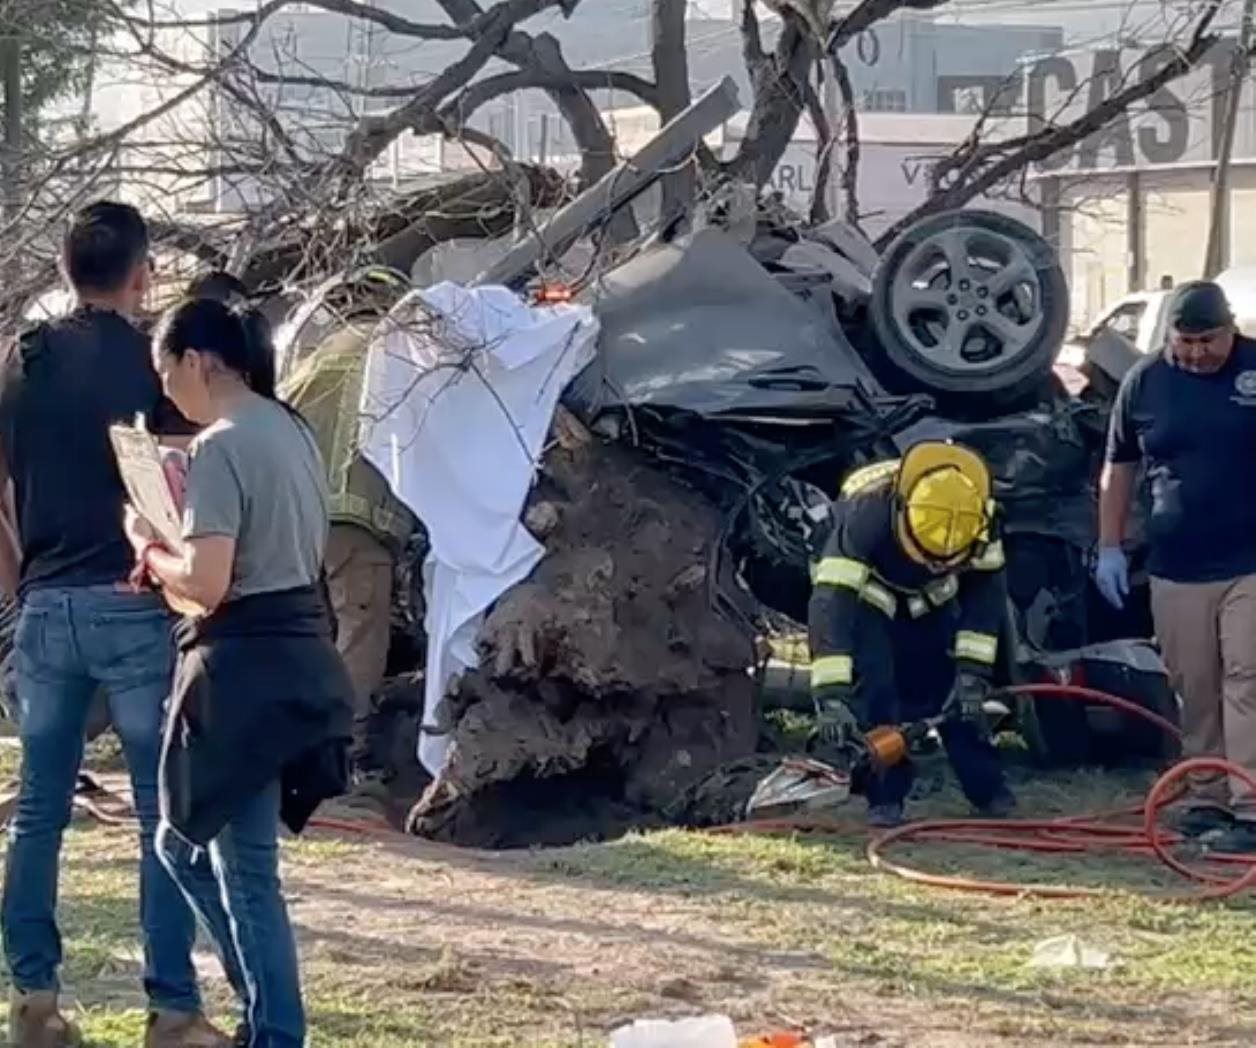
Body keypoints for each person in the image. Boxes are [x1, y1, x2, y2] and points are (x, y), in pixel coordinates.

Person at [0, 201, 237, 1048]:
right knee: (157, 813)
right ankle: (171, 1007)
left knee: (37, 813)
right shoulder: (153, 368)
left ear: (67, 270)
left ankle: (34, 998)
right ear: (141, 276)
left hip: (46, 608)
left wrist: (23, 582)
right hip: (136, 604)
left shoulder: (20, 362)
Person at [129, 297, 352, 1047]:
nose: (166, 393)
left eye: (167, 372)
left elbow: (209, 582)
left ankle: (275, 1028)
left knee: (228, 864)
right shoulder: (290, 430)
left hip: (240, 668)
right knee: (203, 851)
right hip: (299, 654)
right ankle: (267, 1013)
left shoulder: (219, 445)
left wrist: (151, 546)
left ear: (198, 361)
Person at [1097, 280, 1256, 853]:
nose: (1194, 352)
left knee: (1248, 676)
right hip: (1177, 566)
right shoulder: (1146, 381)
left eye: (1206, 340)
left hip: (1250, 562)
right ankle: (1208, 793)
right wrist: (1108, 546)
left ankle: (1250, 803)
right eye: (1184, 341)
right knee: (1197, 686)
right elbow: (1119, 468)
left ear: (1230, 328)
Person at [808, 441, 1015, 827]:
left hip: (931, 601)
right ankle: (884, 796)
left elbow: (986, 602)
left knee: (950, 689)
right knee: (877, 687)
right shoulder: (865, 518)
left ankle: (988, 788)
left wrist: (973, 674)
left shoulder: (980, 519)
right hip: (870, 594)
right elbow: (831, 607)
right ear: (903, 514)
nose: (937, 563)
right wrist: (831, 697)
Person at [278, 268, 415, 792]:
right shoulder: (395, 358)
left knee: (307, 633)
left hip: (297, 518)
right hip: (358, 519)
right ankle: (344, 755)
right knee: (360, 632)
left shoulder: (315, 358)